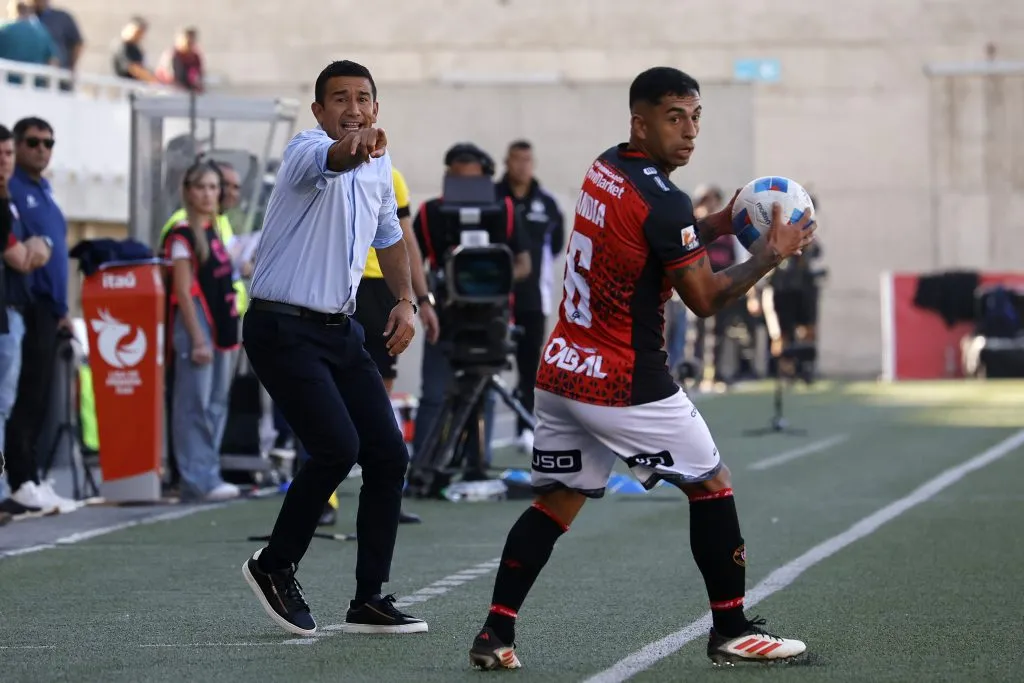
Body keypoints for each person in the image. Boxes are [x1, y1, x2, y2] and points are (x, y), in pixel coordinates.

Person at [468, 66, 815, 670]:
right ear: (641, 121)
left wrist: (717, 220)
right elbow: (703, 299)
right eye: (674, 117)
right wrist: (768, 256)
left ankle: (495, 634)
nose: (689, 131)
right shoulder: (663, 199)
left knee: (556, 501)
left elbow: (659, 235)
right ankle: (730, 629)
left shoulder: (608, 166)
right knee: (712, 482)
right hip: (624, 377)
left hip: (563, 366)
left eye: (696, 117)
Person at [240, 60, 426, 637]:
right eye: (339, 98)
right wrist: (354, 145)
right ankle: (273, 565)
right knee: (336, 447)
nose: (352, 107)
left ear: (377, 106)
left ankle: (368, 598)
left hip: (338, 329)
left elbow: (390, 237)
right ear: (318, 110)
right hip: (281, 325)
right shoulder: (306, 150)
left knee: (389, 454)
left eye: (363, 98)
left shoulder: (381, 165)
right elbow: (339, 158)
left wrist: (405, 301)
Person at [411, 142, 531, 480]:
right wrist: (425, 297)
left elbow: (524, 263)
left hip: (493, 315)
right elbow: (411, 260)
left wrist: (494, 274)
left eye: (472, 180)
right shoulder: (431, 212)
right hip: (444, 315)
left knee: (484, 390)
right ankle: (423, 467)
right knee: (435, 394)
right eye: (456, 179)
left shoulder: (504, 210)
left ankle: (476, 465)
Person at [4, 116, 77, 515]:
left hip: (49, 308)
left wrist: (63, 310)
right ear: (16, 144)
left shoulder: (43, 190)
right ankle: (20, 479)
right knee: (23, 396)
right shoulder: (12, 188)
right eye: (33, 142)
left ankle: (28, 476)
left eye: (49, 142)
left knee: (38, 396)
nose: (42, 149)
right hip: (26, 305)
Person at [159, 160, 241, 502]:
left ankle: (208, 472)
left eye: (213, 187)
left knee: (215, 405)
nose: (209, 194)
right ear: (188, 192)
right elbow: (183, 291)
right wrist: (196, 338)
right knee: (193, 405)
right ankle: (196, 478)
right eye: (202, 187)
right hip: (199, 329)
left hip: (224, 329)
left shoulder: (216, 229)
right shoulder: (182, 235)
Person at [494, 140, 563, 453]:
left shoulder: (546, 204)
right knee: (487, 362)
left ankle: (526, 428)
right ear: (507, 162)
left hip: (533, 298)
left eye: (527, 160)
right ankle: (479, 436)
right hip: (493, 296)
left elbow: (557, 245)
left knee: (528, 364)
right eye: (516, 159)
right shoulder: (492, 197)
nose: (522, 165)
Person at [0, 122, 53, 516]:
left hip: (12, 312)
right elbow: (19, 256)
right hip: (12, 311)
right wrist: (41, 245)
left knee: (9, 402)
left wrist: (40, 245)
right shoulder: (10, 198)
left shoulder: (11, 199)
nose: (5, 162)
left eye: (6, 154)